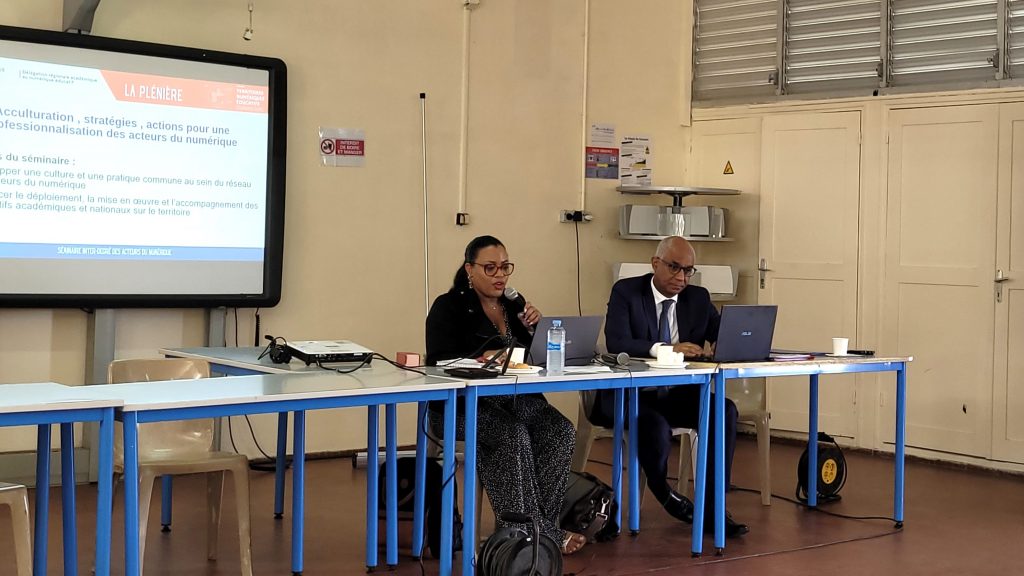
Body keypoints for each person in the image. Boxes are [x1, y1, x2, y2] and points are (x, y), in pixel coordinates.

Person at [425, 235, 586, 554]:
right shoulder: (448, 307)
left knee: (559, 430)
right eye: (490, 268)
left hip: (513, 400)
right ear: (470, 269)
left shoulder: (514, 305)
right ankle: (529, 533)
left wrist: (536, 329)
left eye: (505, 267)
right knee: (512, 435)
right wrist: (479, 360)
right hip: (462, 408)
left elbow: (532, 358)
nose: (500, 275)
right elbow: (438, 361)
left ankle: (538, 528)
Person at [598, 235, 749, 537]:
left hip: (675, 394)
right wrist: (666, 349)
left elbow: (721, 332)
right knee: (654, 427)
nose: (681, 277)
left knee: (724, 412)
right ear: (655, 263)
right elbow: (617, 342)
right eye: (674, 267)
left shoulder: (698, 298)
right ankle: (664, 492)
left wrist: (731, 342)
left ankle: (713, 508)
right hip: (632, 395)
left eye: (688, 270)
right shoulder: (627, 292)